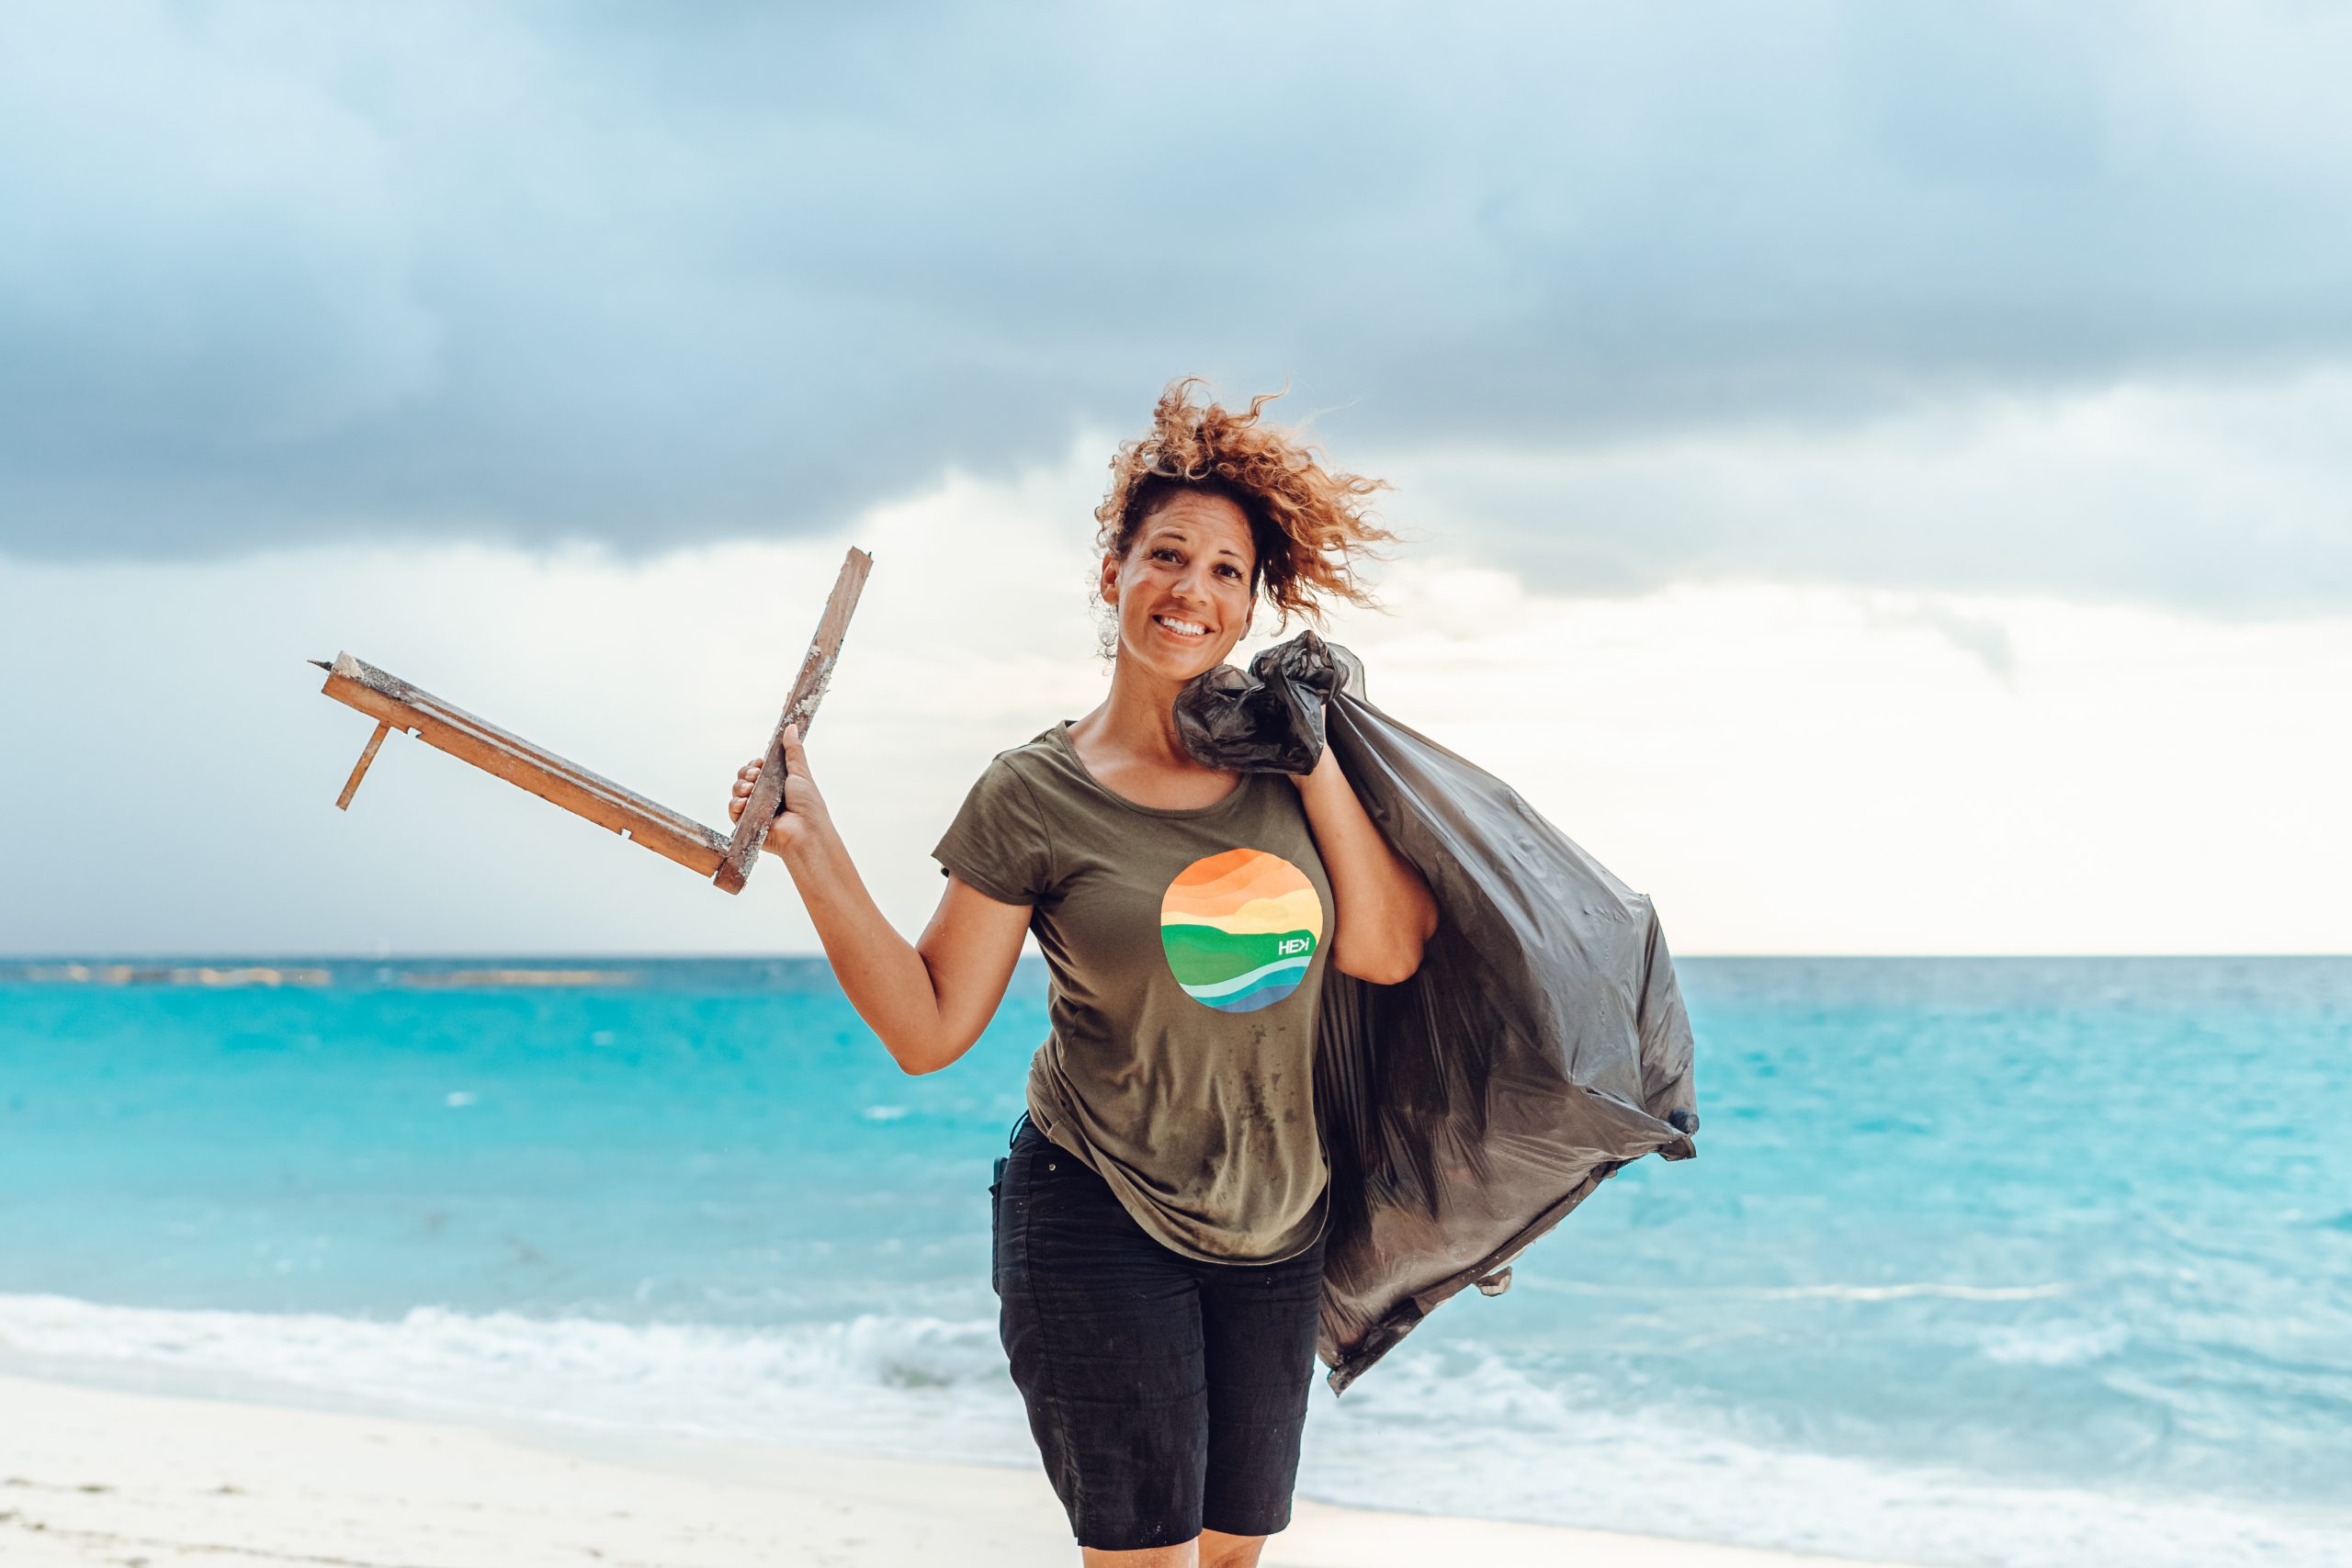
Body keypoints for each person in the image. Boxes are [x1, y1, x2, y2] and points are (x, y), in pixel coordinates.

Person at [728, 378, 1440, 1567]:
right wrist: (811, 848)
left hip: (1276, 1224)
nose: (1193, 593)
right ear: (1112, 570)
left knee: (1230, 1553)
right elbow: (929, 1024)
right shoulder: (1035, 792)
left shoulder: (1296, 771)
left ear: (1254, 602)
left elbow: (1385, 947)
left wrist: (1315, 764)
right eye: (1168, 555)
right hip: (1099, 1208)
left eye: (1227, 573)